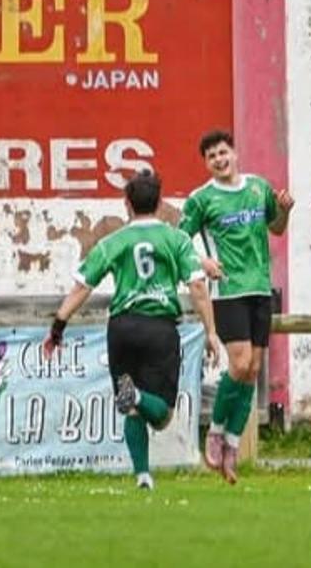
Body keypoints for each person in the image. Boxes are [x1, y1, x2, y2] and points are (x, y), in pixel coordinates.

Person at [43, 170, 221, 490]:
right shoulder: (176, 239)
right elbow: (197, 285)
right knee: (163, 414)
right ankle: (138, 407)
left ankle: (142, 475)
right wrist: (210, 331)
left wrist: (58, 325)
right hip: (159, 328)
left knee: (131, 407)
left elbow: (82, 286)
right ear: (160, 203)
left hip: (122, 328)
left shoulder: (113, 241)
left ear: (126, 203)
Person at [178, 130, 293, 483]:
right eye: (211, 156)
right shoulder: (201, 199)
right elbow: (179, 240)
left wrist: (285, 211)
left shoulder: (258, 188)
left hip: (259, 288)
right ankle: (214, 431)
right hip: (228, 291)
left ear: (234, 153)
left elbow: (275, 228)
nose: (219, 159)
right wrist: (203, 263)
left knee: (253, 369)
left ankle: (230, 445)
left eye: (223, 152)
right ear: (207, 163)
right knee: (239, 363)